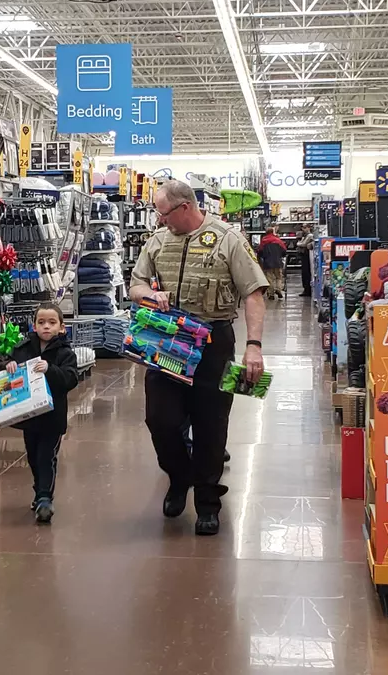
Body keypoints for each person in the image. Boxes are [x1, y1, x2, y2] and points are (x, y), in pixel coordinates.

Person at [129, 180, 267, 536]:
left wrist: (254, 345)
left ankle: (208, 501)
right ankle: (179, 478)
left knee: (211, 424)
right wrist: (149, 296)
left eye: (163, 213)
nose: (159, 220)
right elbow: (136, 284)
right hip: (168, 339)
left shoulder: (228, 240)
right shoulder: (157, 242)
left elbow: (253, 293)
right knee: (160, 419)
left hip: (214, 343)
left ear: (184, 207)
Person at [3, 303, 79, 524]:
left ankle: (45, 497)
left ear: (62, 328)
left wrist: (50, 369)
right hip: (29, 417)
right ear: (34, 326)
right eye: (41, 322)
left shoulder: (65, 353)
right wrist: (7, 366)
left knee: (47, 456)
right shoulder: (22, 348)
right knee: (33, 457)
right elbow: (4, 369)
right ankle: (39, 490)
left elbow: (70, 379)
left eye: (52, 323)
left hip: (53, 419)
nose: (46, 327)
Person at [259, 227, 287, 300]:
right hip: (278, 262)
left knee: (270, 279)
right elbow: (284, 251)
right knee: (279, 277)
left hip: (267, 263)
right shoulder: (278, 240)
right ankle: (278, 289)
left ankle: (271, 294)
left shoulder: (264, 241)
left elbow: (260, 252)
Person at [297, 225, 315, 297]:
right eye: (302, 228)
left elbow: (303, 244)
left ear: (308, 228)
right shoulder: (305, 236)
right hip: (304, 256)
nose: (303, 229)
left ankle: (307, 290)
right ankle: (306, 289)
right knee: (304, 274)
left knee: (306, 273)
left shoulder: (310, 236)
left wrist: (299, 243)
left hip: (307, 257)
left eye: (305, 227)